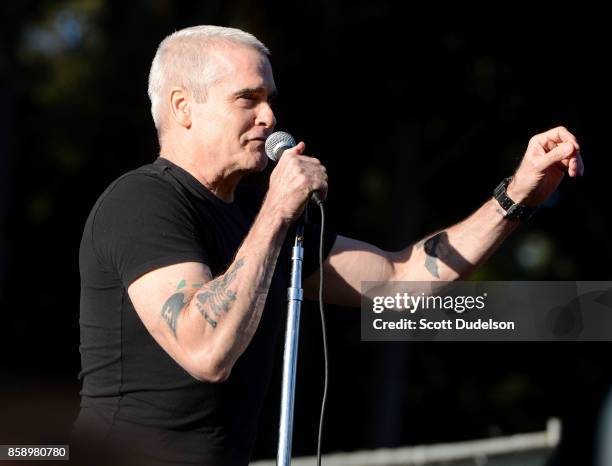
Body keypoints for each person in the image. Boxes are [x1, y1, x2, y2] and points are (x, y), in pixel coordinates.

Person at [72, 25, 584, 465]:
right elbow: (205, 350)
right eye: (247, 99)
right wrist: (277, 211)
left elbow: (400, 282)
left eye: (270, 99)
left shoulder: (254, 216)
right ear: (183, 106)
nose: (269, 116)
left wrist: (518, 194)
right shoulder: (142, 203)